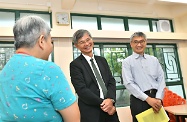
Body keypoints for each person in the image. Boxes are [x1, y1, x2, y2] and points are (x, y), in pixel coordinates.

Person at [0, 15, 80, 122]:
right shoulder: (48, 69)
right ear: (42, 41)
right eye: (51, 41)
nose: (51, 46)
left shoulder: (5, 70)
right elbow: (73, 119)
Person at [70, 29, 120, 122]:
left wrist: (111, 100)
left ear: (92, 40)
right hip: (92, 113)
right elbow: (82, 90)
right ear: (76, 46)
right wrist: (105, 104)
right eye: (82, 42)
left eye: (88, 40)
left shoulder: (102, 60)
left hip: (110, 110)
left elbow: (111, 81)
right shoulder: (75, 65)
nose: (86, 44)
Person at [122, 32, 166, 122]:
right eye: (136, 42)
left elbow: (161, 79)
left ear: (146, 42)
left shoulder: (154, 60)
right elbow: (129, 83)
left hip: (156, 98)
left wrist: (158, 98)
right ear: (131, 44)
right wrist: (148, 99)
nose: (139, 44)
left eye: (142, 41)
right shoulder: (127, 62)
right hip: (139, 100)